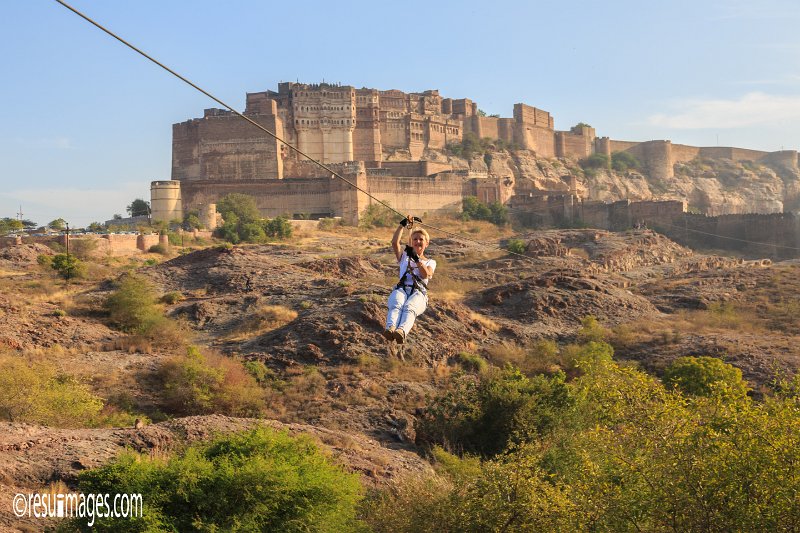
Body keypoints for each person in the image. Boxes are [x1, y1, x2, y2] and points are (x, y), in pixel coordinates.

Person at [384, 216, 436, 344]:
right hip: (402, 289)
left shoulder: (430, 262)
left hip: (419, 293)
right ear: (411, 242)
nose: (418, 241)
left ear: (426, 243)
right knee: (396, 304)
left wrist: (417, 259)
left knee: (409, 308)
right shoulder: (405, 257)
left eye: (421, 239)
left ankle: (401, 331)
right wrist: (402, 225)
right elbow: (394, 243)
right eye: (415, 239)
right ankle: (390, 328)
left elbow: (425, 275)